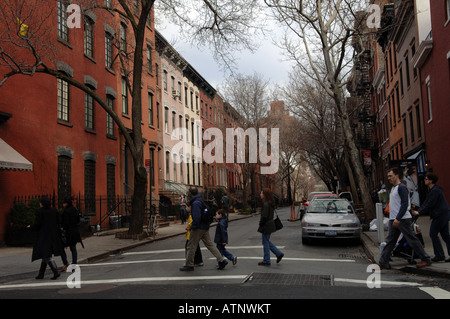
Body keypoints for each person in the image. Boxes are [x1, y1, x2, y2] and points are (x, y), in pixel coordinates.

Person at [379, 168, 432, 269]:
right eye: (388, 176)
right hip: (394, 219)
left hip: (402, 219)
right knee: (390, 241)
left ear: (397, 175)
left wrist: (398, 218)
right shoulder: (394, 188)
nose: (389, 178)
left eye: (391, 176)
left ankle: (425, 258)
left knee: (411, 239)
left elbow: (405, 204)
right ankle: (383, 262)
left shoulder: (401, 188)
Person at [180, 187, 228, 271]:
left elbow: (197, 217)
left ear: (191, 194)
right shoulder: (201, 201)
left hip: (198, 227)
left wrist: (192, 227)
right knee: (210, 245)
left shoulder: (195, 203)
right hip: (205, 226)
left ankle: (189, 264)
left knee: (191, 246)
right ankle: (221, 260)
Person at [412, 173, 450, 262]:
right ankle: (441, 254)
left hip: (440, 215)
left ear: (431, 181)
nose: (424, 180)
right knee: (445, 235)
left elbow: (430, 203)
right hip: (443, 214)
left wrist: (419, 212)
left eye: (426, 179)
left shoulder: (435, 191)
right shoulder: (433, 190)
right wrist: (419, 210)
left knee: (433, 234)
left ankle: (440, 255)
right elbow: (426, 202)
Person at [27, 196, 63, 280]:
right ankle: (41, 274)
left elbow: (38, 224)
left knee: (46, 255)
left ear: (42, 203)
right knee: (45, 254)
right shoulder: (54, 210)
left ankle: (55, 271)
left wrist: (30, 226)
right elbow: (58, 221)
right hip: (53, 235)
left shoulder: (40, 212)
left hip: (44, 236)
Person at [258, 188, 284, 266]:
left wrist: (261, 223)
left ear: (265, 195)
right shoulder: (270, 203)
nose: (260, 194)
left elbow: (264, 216)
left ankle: (266, 260)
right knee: (266, 241)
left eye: (261, 193)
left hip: (266, 225)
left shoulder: (266, 204)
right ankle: (278, 253)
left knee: (265, 242)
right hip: (270, 224)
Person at [60, 196, 84, 271]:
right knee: (73, 249)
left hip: (68, 233)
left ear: (66, 203)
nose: (62, 204)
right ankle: (74, 264)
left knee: (61, 248)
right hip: (74, 231)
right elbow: (78, 220)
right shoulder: (75, 210)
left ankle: (66, 263)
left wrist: (63, 227)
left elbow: (65, 222)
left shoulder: (66, 211)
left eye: (63, 203)